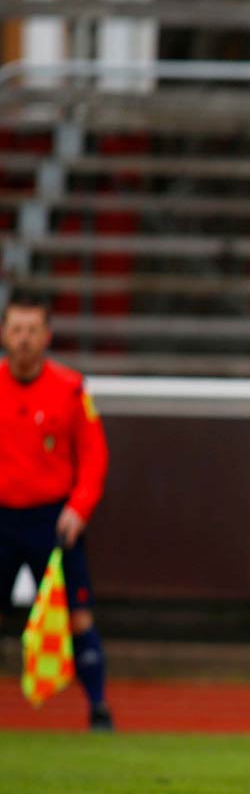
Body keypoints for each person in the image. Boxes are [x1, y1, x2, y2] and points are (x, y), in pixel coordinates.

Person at [1, 298, 112, 730]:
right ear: (5, 334)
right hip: (2, 518)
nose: (24, 339)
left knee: (78, 615)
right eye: (16, 329)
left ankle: (99, 708)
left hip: (53, 520)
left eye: (32, 330)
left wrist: (78, 508)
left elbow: (94, 458)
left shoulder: (70, 389)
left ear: (47, 335)